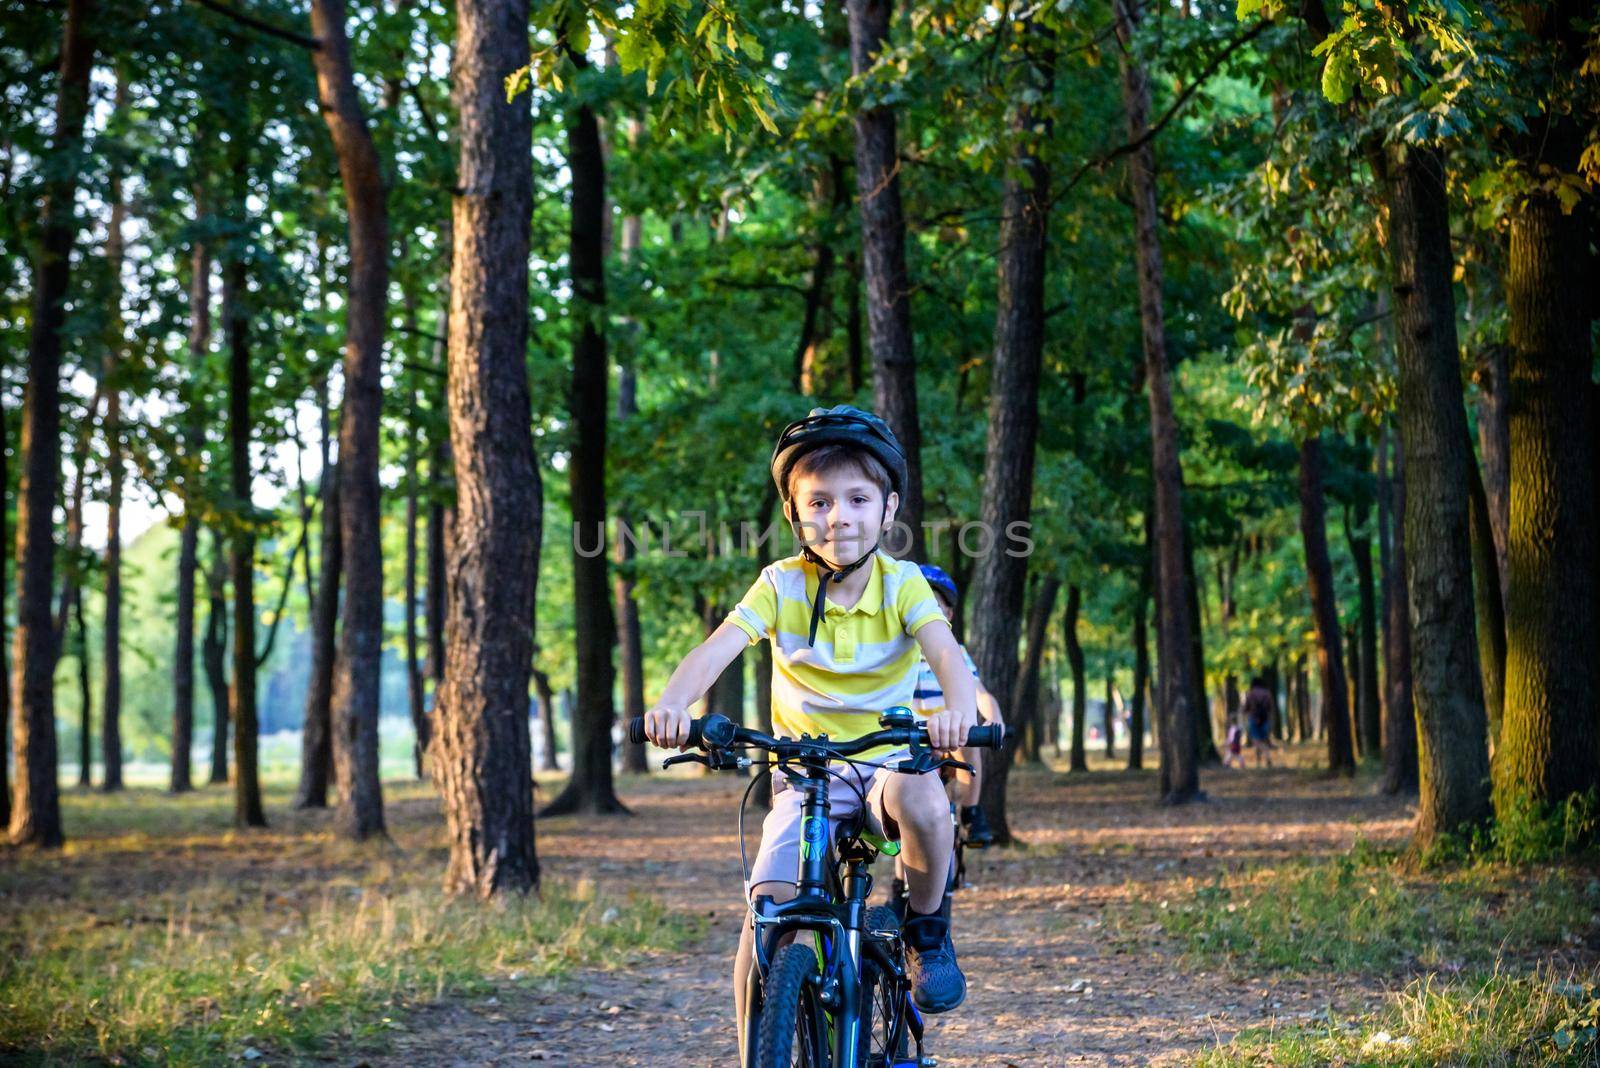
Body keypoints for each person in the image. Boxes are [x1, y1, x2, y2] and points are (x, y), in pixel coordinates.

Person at [641, 405, 981, 1039]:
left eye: (857, 498)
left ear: (889, 508)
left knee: (925, 796)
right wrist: (671, 705)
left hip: (884, 764)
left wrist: (958, 711)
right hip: (805, 776)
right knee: (765, 915)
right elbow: (715, 649)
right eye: (819, 501)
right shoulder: (780, 584)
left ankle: (928, 930)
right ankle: (757, 1046)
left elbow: (944, 652)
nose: (839, 516)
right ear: (795, 514)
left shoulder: (904, 584)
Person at [911, 563, 1004, 845]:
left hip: (949, 735)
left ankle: (971, 811)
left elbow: (980, 693)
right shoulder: (898, 654)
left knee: (969, 742)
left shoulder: (954, 653)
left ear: (948, 615)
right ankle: (900, 880)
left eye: (934, 606)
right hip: (911, 737)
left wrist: (993, 719)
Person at [1242, 676, 1277, 767]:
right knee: (1264, 740)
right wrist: (1271, 720)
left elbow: (1246, 708)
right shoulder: (1267, 693)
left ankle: (1261, 760)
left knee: (1256, 741)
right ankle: (1264, 759)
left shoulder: (1251, 694)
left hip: (1253, 719)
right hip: (1265, 719)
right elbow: (1271, 708)